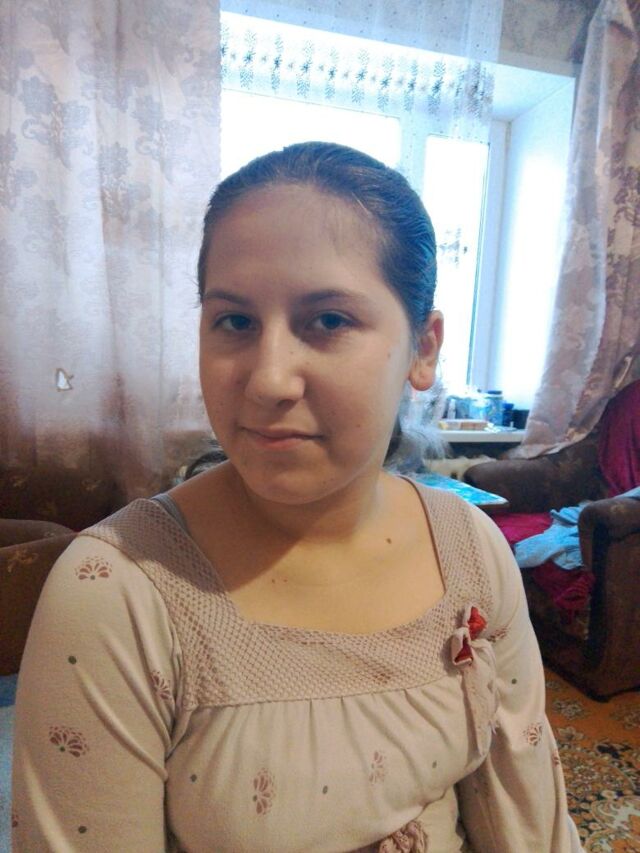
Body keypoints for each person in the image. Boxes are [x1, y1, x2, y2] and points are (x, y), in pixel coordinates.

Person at [11, 142, 583, 852]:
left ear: (423, 348)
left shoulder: (470, 550)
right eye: (235, 322)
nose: (269, 380)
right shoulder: (117, 591)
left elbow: (526, 813)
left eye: (329, 320)